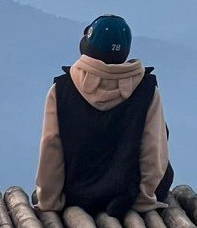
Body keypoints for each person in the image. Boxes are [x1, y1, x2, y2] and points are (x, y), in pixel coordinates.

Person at [34, 14, 174, 217]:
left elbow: (51, 148)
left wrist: (49, 201)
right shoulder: (147, 90)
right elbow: (153, 149)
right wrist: (144, 200)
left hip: (77, 194)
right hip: (126, 197)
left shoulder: (61, 90)